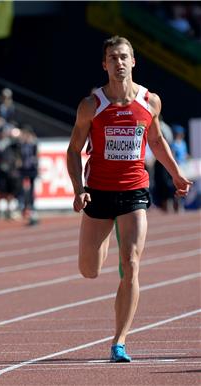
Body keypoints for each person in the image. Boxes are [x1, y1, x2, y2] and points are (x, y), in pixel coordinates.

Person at [66, 36, 192, 363]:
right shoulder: (91, 106)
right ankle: (104, 235)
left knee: (131, 265)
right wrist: (79, 189)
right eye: (112, 58)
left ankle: (119, 341)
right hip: (99, 192)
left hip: (135, 190)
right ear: (104, 64)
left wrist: (176, 173)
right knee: (89, 270)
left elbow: (157, 139)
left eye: (124, 57)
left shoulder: (150, 102)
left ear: (133, 62)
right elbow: (73, 149)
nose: (118, 63)